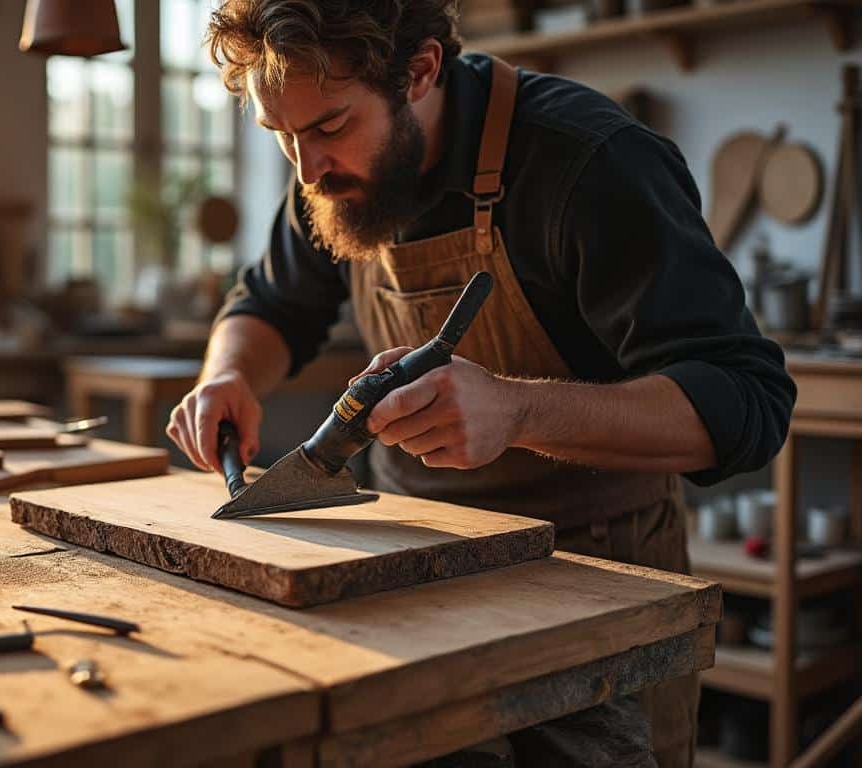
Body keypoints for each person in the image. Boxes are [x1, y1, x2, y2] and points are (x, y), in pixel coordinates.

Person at [165, 2, 796, 766]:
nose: (307, 170)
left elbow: (747, 405)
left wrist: (516, 409)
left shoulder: (589, 160)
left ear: (422, 69)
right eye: (281, 136)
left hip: (593, 575)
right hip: (411, 565)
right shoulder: (330, 171)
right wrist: (227, 374)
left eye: (328, 128)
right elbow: (270, 302)